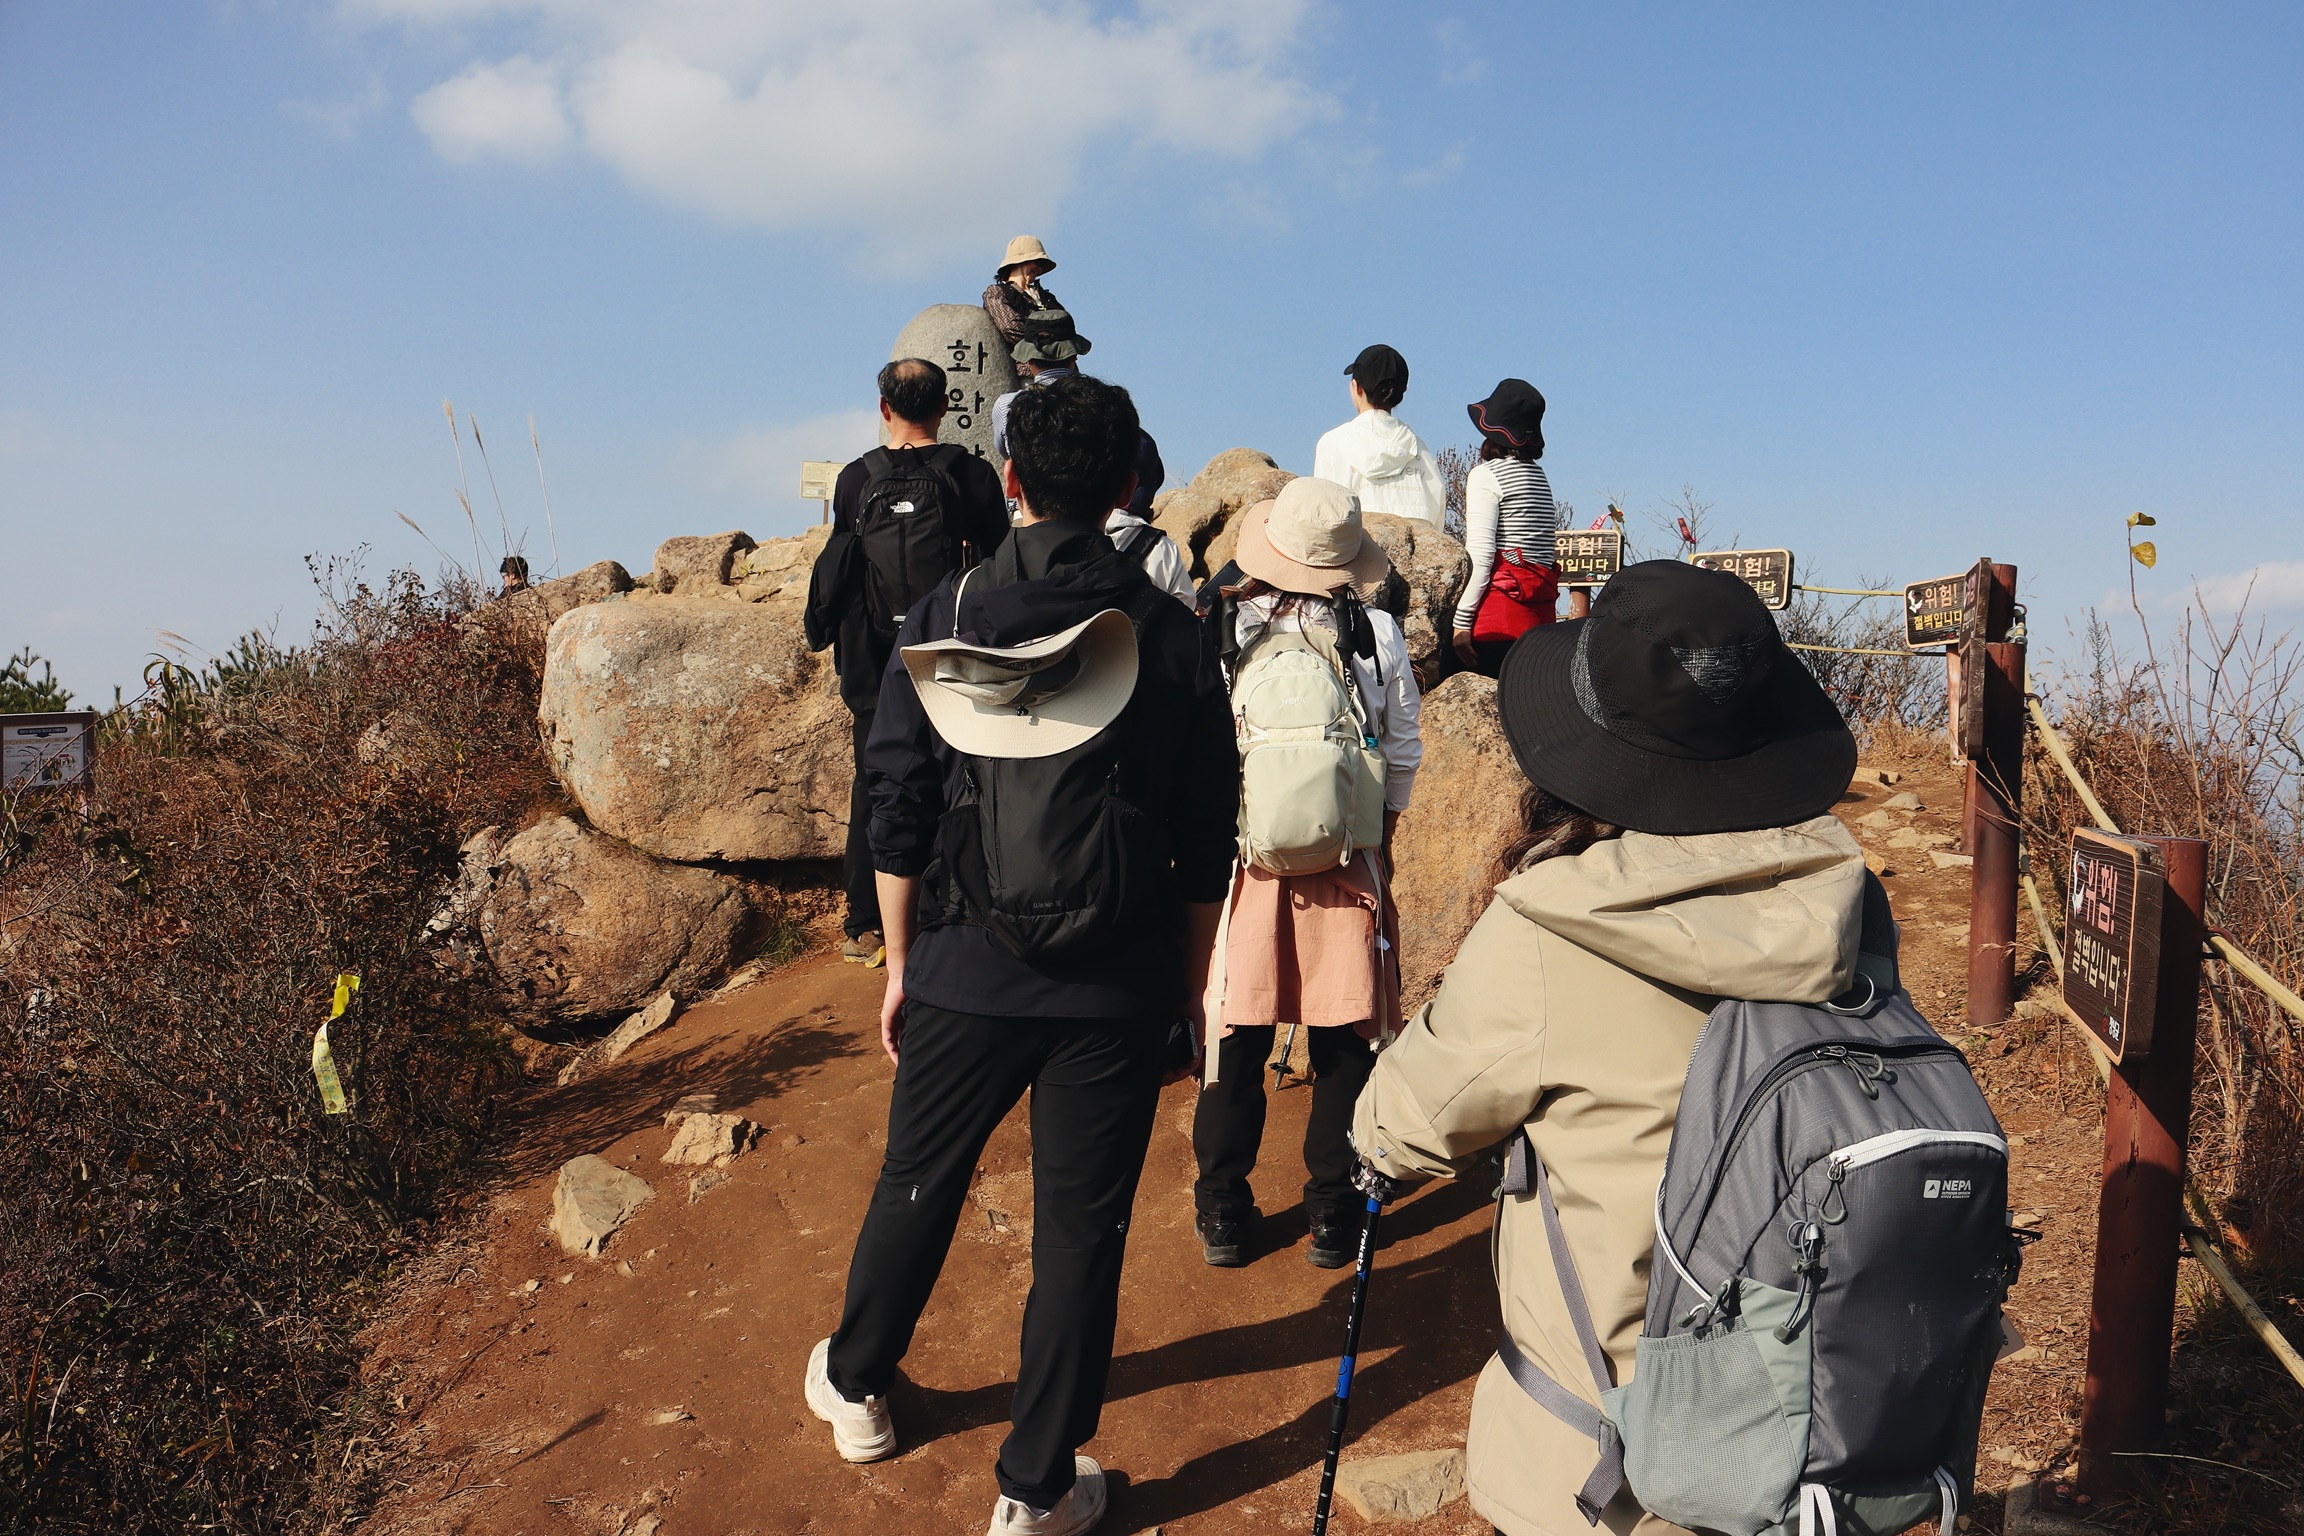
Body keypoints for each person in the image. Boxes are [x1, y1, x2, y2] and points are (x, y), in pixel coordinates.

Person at [1349, 560, 1865, 1536]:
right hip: (1816, 1421)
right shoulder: (1848, 908)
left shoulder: (1551, 929)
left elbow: (1401, 1123)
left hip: (1616, 1454)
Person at [806, 374, 1238, 1536]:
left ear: (1008, 481)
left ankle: (857, 1385)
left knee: (919, 1179)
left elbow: (895, 804)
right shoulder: (1171, 636)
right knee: (1080, 1235)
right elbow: (1208, 836)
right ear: (1127, 485)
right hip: (1118, 981)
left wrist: (904, 961)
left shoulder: (939, 614)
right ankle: (1036, 1491)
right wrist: (1190, 985)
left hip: (961, 965)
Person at [1193, 477, 1423, 1270]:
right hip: (1346, 858)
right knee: (1344, 1033)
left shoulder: (1226, 622)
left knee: (1237, 1029)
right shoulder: (1375, 632)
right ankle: (1333, 1212)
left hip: (1245, 860)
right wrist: (1378, 842)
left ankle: (1222, 1209)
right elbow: (1401, 750)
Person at [804, 358, 1010, 969]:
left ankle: (865, 921)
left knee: (875, 780)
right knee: (962, 774)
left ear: (883, 407)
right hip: (950, 651)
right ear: (945, 407)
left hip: (873, 662)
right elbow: (999, 566)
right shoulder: (972, 475)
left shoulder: (854, 479)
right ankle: (954, 904)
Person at [994, 312, 1191, 605]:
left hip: (1028, 519)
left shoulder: (1008, 406)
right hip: (1107, 525)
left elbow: (1003, 449)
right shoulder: (1106, 410)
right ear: (1074, 355)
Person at [1451, 380, 1561, 677]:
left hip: (1496, 622)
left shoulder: (1486, 475)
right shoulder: (1540, 477)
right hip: (1541, 624)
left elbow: (1481, 554)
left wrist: (1461, 622)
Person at [1312, 344, 1445, 526]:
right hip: (1417, 545)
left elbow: (1321, 520)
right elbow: (1437, 525)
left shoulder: (1332, 444)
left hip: (1356, 544)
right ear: (1401, 392)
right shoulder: (1421, 451)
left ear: (1357, 387)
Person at [982, 235, 1063, 348]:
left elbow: (1066, 328)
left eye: (1042, 264)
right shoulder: (997, 292)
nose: (1039, 268)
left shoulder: (1048, 298)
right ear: (1020, 261)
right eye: (1037, 262)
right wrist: (1047, 340)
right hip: (1022, 358)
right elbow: (1011, 328)